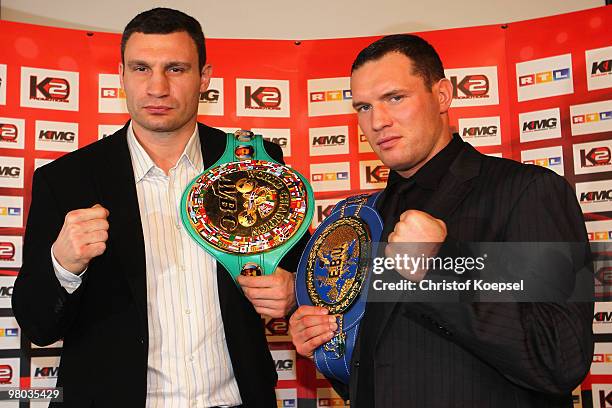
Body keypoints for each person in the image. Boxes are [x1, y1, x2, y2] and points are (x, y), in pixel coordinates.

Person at [12, 7, 300, 407]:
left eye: (176, 69)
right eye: (142, 68)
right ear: (122, 75)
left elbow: (298, 275)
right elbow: (38, 324)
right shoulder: (66, 180)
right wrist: (63, 264)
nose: (158, 87)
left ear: (205, 78)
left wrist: (293, 291)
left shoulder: (254, 161)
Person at [289, 34, 593, 407]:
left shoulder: (526, 192)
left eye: (395, 98)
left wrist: (436, 270)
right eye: (364, 107)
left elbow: (559, 358)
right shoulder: (365, 220)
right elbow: (384, 369)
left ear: (443, 95)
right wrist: (330, 348)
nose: (378, 121)